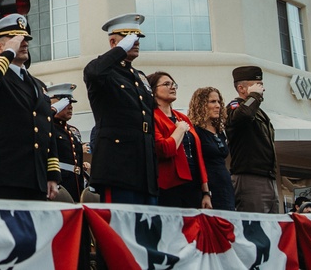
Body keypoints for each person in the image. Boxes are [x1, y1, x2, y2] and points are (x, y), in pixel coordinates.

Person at [0, 14, 60, 201]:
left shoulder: (37, 85)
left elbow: (48, 129)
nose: (24, 43)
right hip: (6, 177)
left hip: (36, 179)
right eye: (17, 39)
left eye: (25, 39)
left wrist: (52, 175)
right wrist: (8, 53)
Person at [83, 13, 157, 205]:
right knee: (119, 228)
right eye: (129, 38)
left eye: (138, 38)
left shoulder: (138, 76)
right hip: (117, 166)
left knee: (147, 230)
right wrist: (119, 51)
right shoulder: (105, 71)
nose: (136, 42)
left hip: (144, 167)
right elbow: (93, 72)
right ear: (113, 41)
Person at [149, 72, 211, 209]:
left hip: (193, 184)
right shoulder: (152, 117)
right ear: (153, 90)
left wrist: (206, 191)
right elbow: (164, 150)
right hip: (169, 186)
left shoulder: (182, 117)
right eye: (166, 84)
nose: (172, 87)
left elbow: (198, 155)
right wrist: (180, 129)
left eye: (173, 84)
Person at [227, 65, 279, 213]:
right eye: (256, 85)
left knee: (273, 228)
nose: (261, 89)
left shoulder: (259, 112)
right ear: (242, 88)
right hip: (249, 177)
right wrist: (254, 96)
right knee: (254, 228)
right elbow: (243, 115)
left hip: (267, 177)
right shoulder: (235, 107)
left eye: (261, 85)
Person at [188, 86, 236, 211]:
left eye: (219, 102)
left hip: (225, 184)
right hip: (207, 187)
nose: (218, 106)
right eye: (212, 102)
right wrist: (205, 192)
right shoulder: (194, 131)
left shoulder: (220, 132)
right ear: (201, 105)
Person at [47, 82, 87, 203]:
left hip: (75, 184)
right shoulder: (47, 127)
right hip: (59, 184)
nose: (70, 106)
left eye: (70, 103)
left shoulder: (71, 131)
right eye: (64, 102)